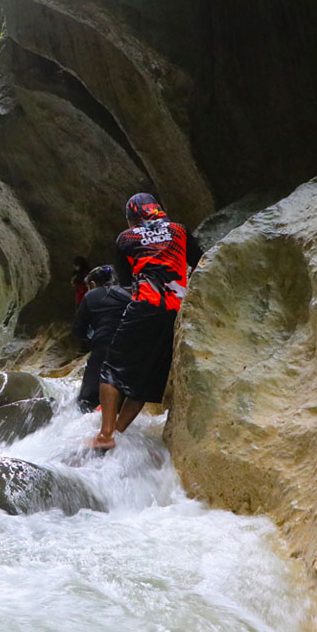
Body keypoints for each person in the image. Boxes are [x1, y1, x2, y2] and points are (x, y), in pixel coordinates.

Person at [92, 193, 203, 450]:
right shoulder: (179, 230)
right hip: (175, 313)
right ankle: (118, 432)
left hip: (144, 307)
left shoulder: (127, 238)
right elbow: (200, 263)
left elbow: (126, 282)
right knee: (147, 379)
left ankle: (105, 435)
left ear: (133, 217)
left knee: (111, 370)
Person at [73, 265, 131, 412]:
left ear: (92, 284)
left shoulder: (90, 296)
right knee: (120, 395)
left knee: (87, 400)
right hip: (128, 347)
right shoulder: (127, 294)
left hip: (102, 345)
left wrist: (90, 338)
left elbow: (78, 329)